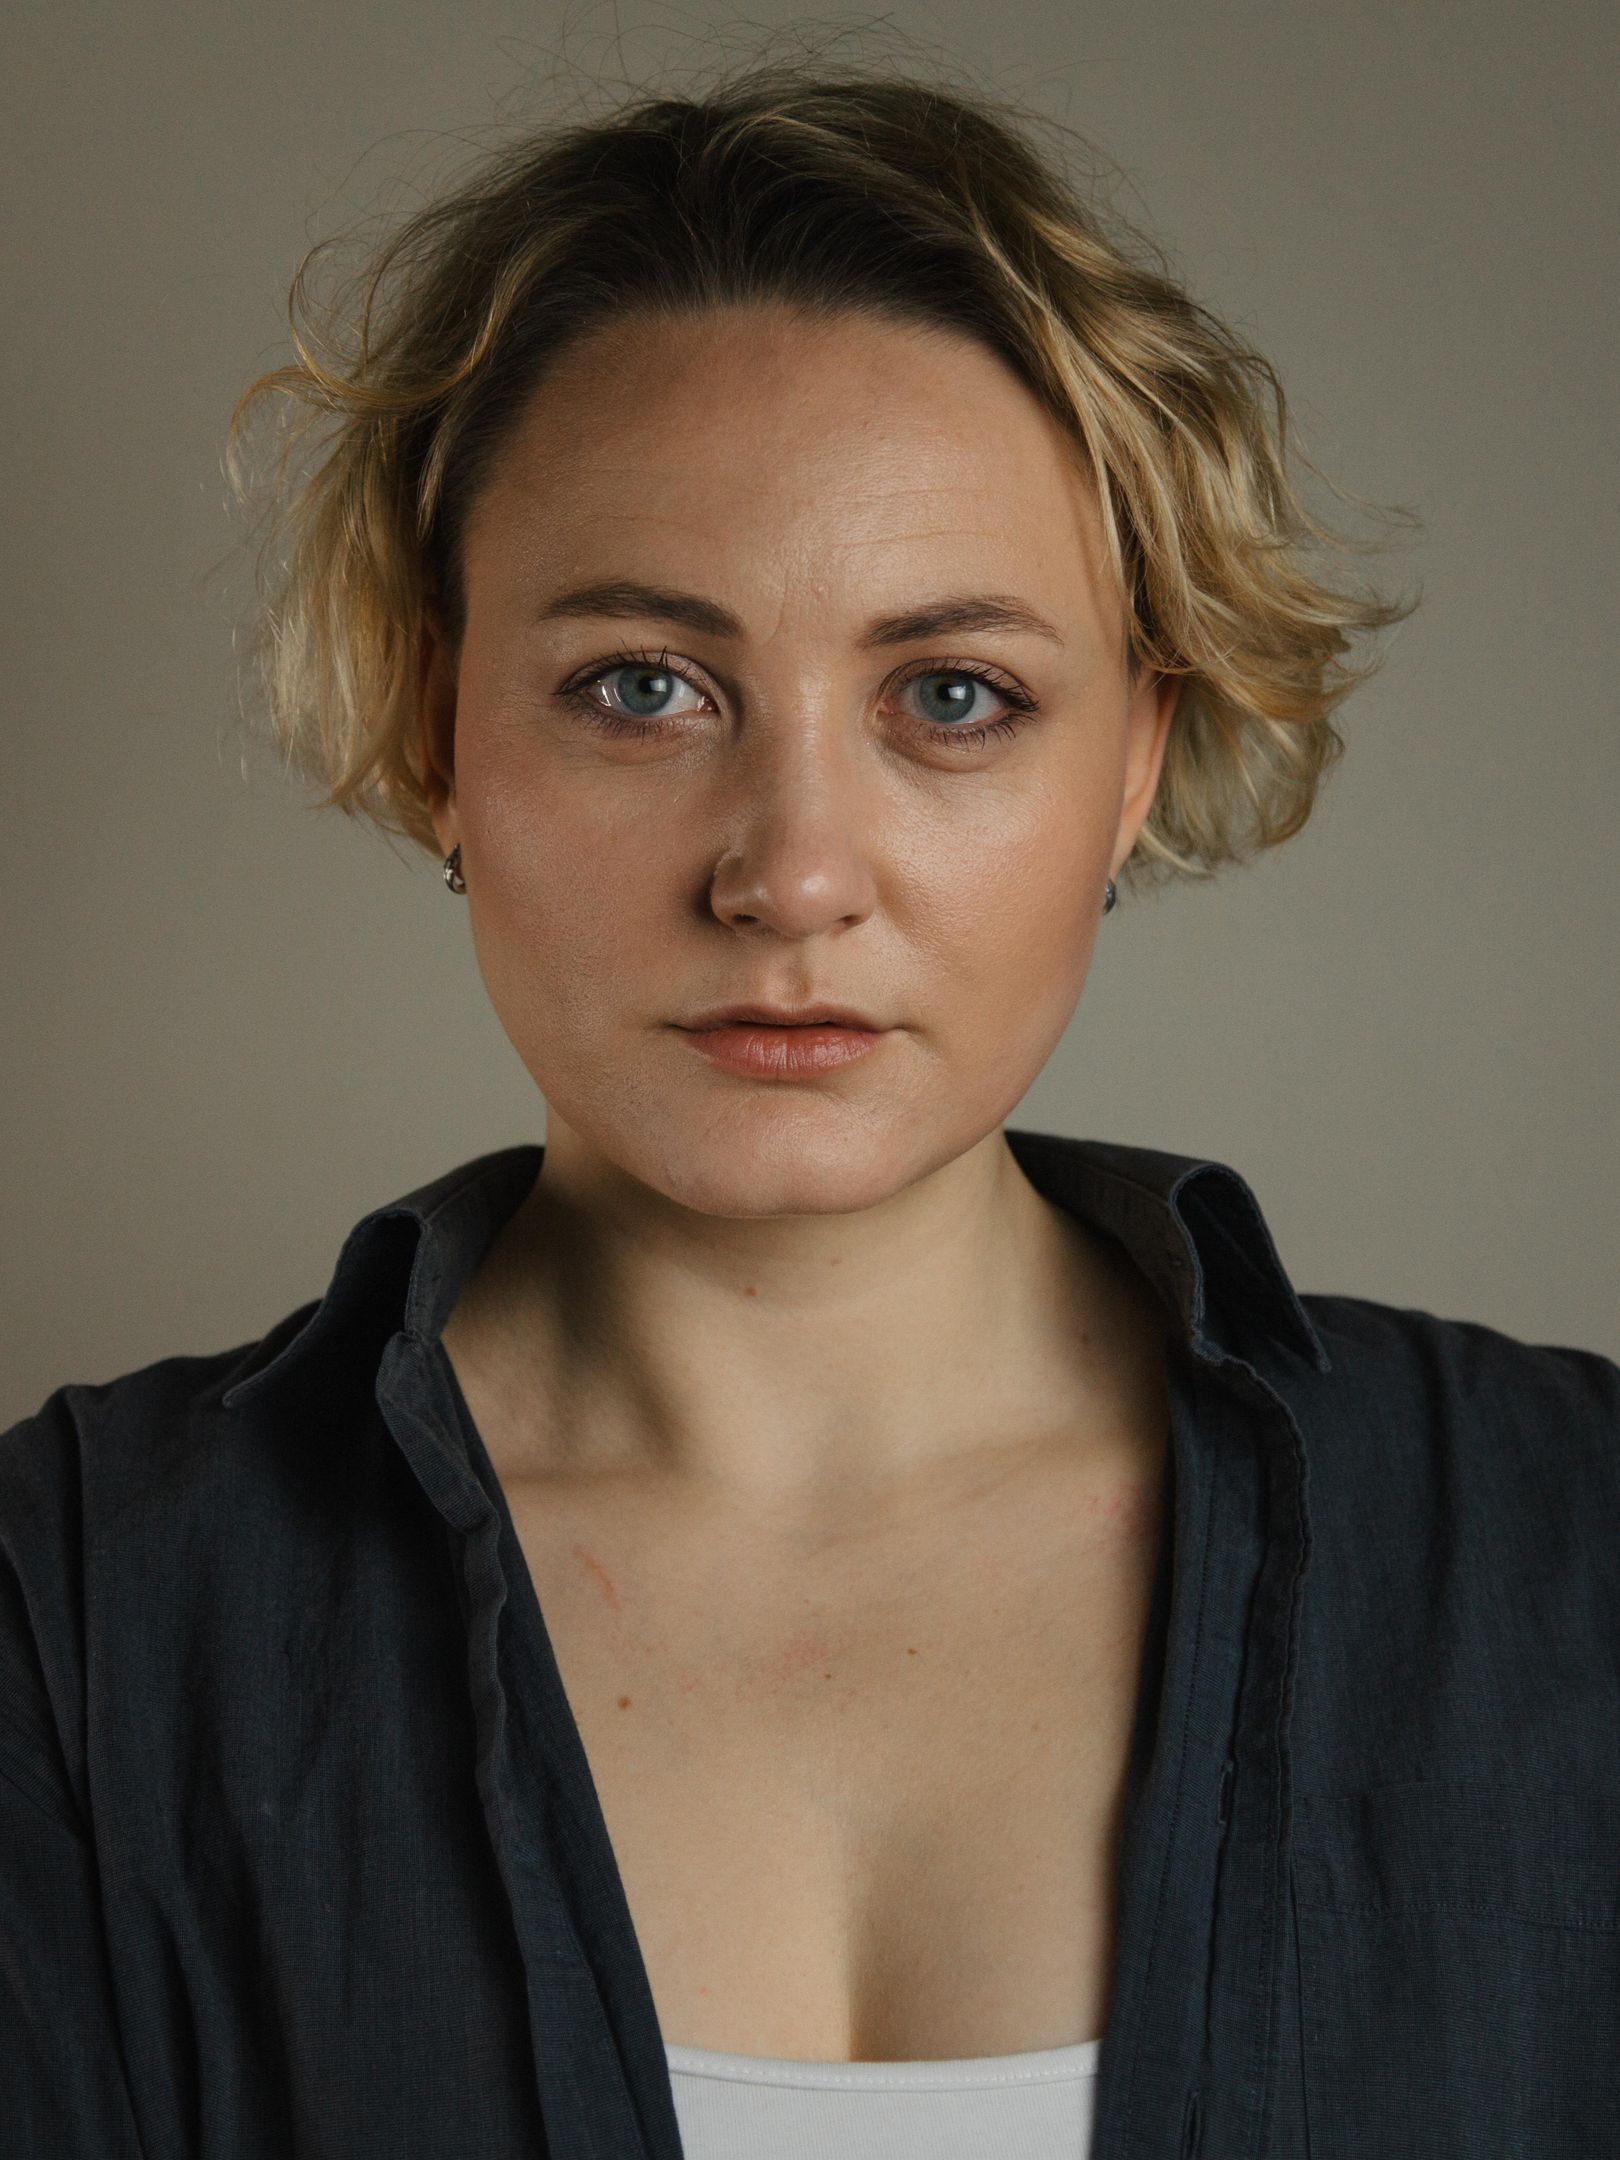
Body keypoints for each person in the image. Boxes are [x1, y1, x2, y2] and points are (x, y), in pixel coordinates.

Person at [4, 51, 1616, 2160]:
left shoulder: (1572, 1554)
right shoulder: (74, 1622)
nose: (790, 873)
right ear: (433, 723)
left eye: (952, 696)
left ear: (1137, 753)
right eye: (641, 688)